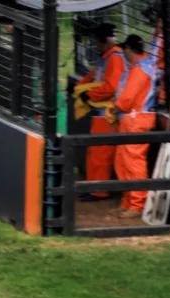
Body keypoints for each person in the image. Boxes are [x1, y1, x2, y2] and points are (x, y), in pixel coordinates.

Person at [75, 23, 125, 200]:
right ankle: (93, 186)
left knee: (101, 153)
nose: (96, 43)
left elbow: (111, 87)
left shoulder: (115, 58)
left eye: (97, 40)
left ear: (104, 40)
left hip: (108, 113)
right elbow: (94, 76)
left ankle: (99, 190)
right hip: (101, 112)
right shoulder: (106, 57)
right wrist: (79, 87)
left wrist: (89, 94)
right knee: (94, 151)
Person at [114, 35, 159, 218]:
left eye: (124, 50)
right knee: (123, 161)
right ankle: (128, 201)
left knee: (133, 162)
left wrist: (114, 108)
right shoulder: (146, 65)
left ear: (128, 50)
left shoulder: (140, 69)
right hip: (135, 117)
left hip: (136, 118)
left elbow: (127, 98)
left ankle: (137, 204)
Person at [144, 9, 170, 110]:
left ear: (161, 21)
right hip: (154, 86)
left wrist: (163, 96)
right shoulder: (156, 36)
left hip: (165, 92)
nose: (153, 25)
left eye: (154, 22)